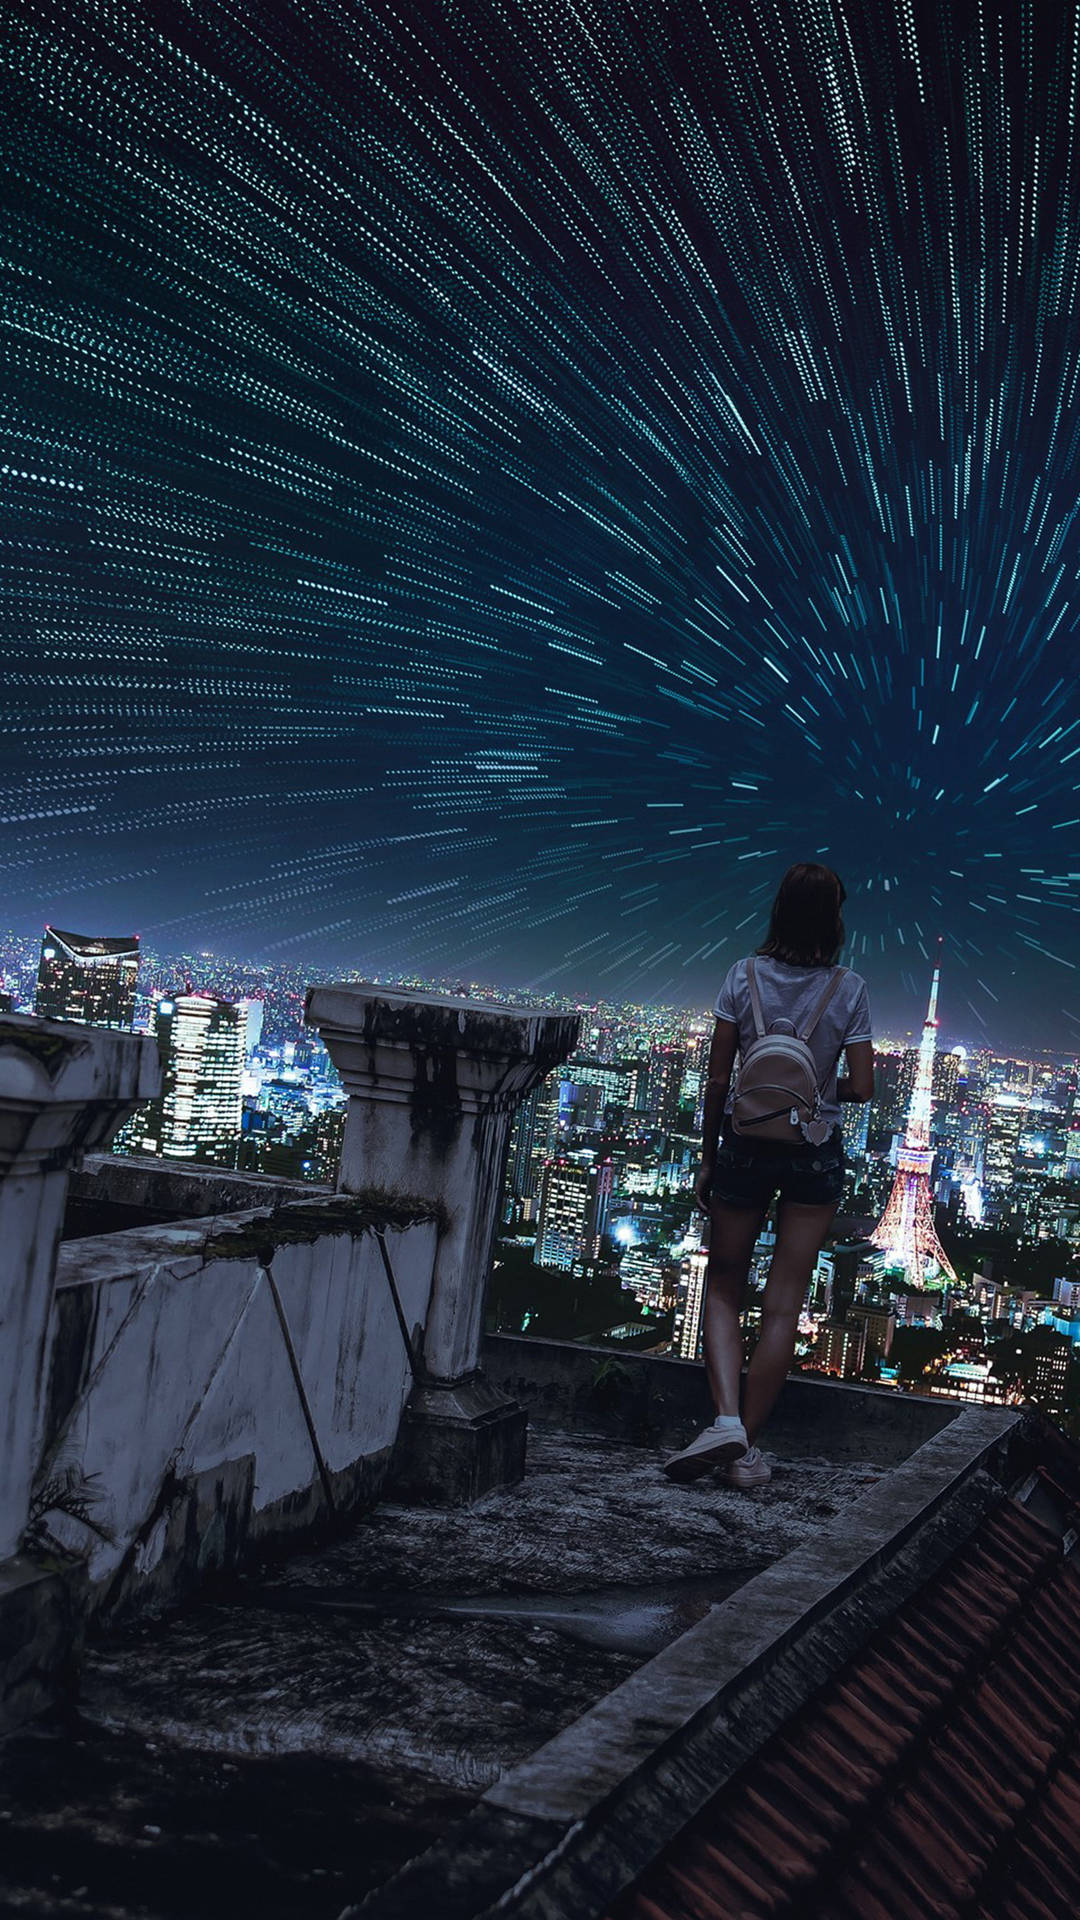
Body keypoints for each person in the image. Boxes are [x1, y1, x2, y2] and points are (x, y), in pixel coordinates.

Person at [663, 862, 874, 1489]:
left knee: (723, 1286)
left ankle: (726, 1420)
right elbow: (862, 1087)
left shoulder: (741, 976)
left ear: (778, 911)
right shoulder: (850, 988)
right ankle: (747, 1452)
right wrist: (808, 1085)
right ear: (834, 920)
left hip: (744, 1147)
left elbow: (719, 1079)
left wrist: (708, 1154)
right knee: (783, 1306)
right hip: (813, 1149)